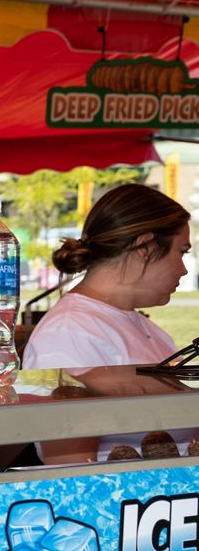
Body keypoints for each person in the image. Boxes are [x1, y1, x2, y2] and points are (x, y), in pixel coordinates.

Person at [23, 183, 195, 463]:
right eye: (181, 251)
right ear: (145, 246)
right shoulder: (69, 332)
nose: (183, 268)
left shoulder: (148, 329)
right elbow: (70, 468)